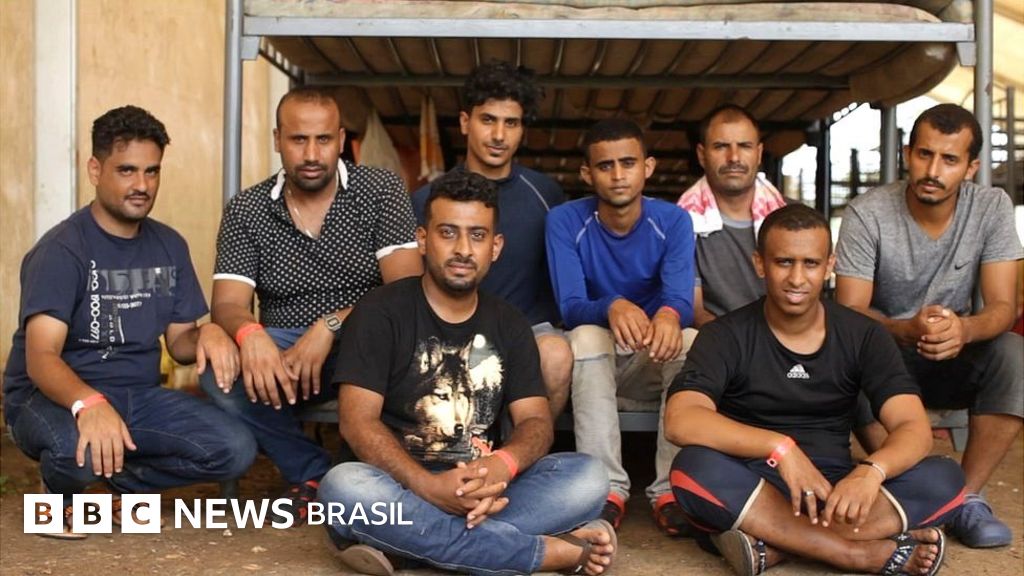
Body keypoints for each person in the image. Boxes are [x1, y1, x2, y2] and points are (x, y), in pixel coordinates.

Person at [318, 170, 615, 576]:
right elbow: (356, 422)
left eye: (477, 235)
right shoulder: (379, 311)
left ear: (495, 247)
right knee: (344, 487)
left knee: (589, 478)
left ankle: (410, 547)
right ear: (423, 239)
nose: (462, 249)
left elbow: (536, 421)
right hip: (397, 487)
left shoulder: (510, 323)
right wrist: (429, 487)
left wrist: (502, 466)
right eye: (448, 233)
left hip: (482, 488)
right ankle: (543, 553)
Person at [666, 204, 965, 576]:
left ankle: (777, 543)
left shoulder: (864, 335)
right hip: (754, 489)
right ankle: (852, 553)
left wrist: (871, 472)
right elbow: (680, 420)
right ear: (760, 264)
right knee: (693, 468)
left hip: (838, 493)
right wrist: (780, 449)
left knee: (946, 478)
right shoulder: (724, 335)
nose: (796, 278)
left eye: (810, 263)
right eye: (783, 262)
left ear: (829, 266)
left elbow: (913, 427)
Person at [2, 106, 256, 539]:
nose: (142, 185)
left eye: (152, 171)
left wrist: (211, 331)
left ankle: (112, 490)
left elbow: (180, 343)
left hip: (137, 396)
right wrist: (89, 404)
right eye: (127, 170)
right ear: (95, 170)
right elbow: (41, 357)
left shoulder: (169, 245)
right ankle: (58, 494)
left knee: (235, 447)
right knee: (77, 453)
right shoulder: (62, 250)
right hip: (50, 397)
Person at [202, 87, 422, 523]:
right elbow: (227, 303)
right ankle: (314, 472)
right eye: (298, 139)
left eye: (322, 140)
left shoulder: (379, 190)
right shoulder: (247, 208)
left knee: (411, 347)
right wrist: (250, 335)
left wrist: (331, 326)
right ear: (277, 139)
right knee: (217, 374)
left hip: (367, 342)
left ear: (340, 140)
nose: (311, 154)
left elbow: (406, 288)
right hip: (283, 353)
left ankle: (368, 474)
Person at [835, 103, 1023, 549]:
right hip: (886, 358)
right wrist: (905, 330)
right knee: (844, 355)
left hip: (957, 353)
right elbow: (848, 310)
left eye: (950, 159)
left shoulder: (991, 207)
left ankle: (963, 497)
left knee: (1014, 353)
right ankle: (919, 491)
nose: (933, 170)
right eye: (924, 154)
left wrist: (964, 330)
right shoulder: (867, 213)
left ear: (971, 167)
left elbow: (1004, 306)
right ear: (907, 154)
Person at [546, 118, 696, 534]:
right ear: (587, 173)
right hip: (595, 366)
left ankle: (669, 491)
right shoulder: (564, 220)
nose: (617, 175)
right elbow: (570, 306)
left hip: (649, 362)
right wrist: (612, 305)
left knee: (690, 340)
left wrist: (669, 314)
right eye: (605, 165)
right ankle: (606, 489)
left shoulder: (674, 220)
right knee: (585, 334)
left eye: (627, 163)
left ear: (647, 167)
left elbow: (681, 302)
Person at [412, 61, 572, 420]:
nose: (499, 135)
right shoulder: (428, 200)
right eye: (488, 120)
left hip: (529, 331)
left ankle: (527, 451)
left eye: (511, 123)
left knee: (556, 354)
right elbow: (410, 283)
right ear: (465, 122)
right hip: (448, 331)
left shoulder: (546, 194)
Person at [677, 104, 789, 327]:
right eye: (721, 146)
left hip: (782, 335)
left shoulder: (790, 219)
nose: (734, 157)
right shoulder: (682, 222)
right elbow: (695, 312)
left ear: (758, 153)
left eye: (745, 146)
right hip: (715, 337)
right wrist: (740, 342)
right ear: (702, 155)